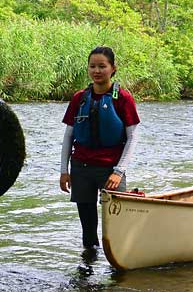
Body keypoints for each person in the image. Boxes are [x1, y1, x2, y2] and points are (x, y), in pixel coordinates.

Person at [59, 46, 140, 249]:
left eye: (102, 66)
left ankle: (119, 271)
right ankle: (88, 269)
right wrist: (64, 171)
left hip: (110, 170)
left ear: (113, 68)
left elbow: (132, 138)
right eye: (92, 66)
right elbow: (69, 136)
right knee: (88, 228)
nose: (97, 71)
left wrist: (118, 172)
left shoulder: (123, 98)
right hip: (81, 169)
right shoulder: (79, 98)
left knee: (117, 225)